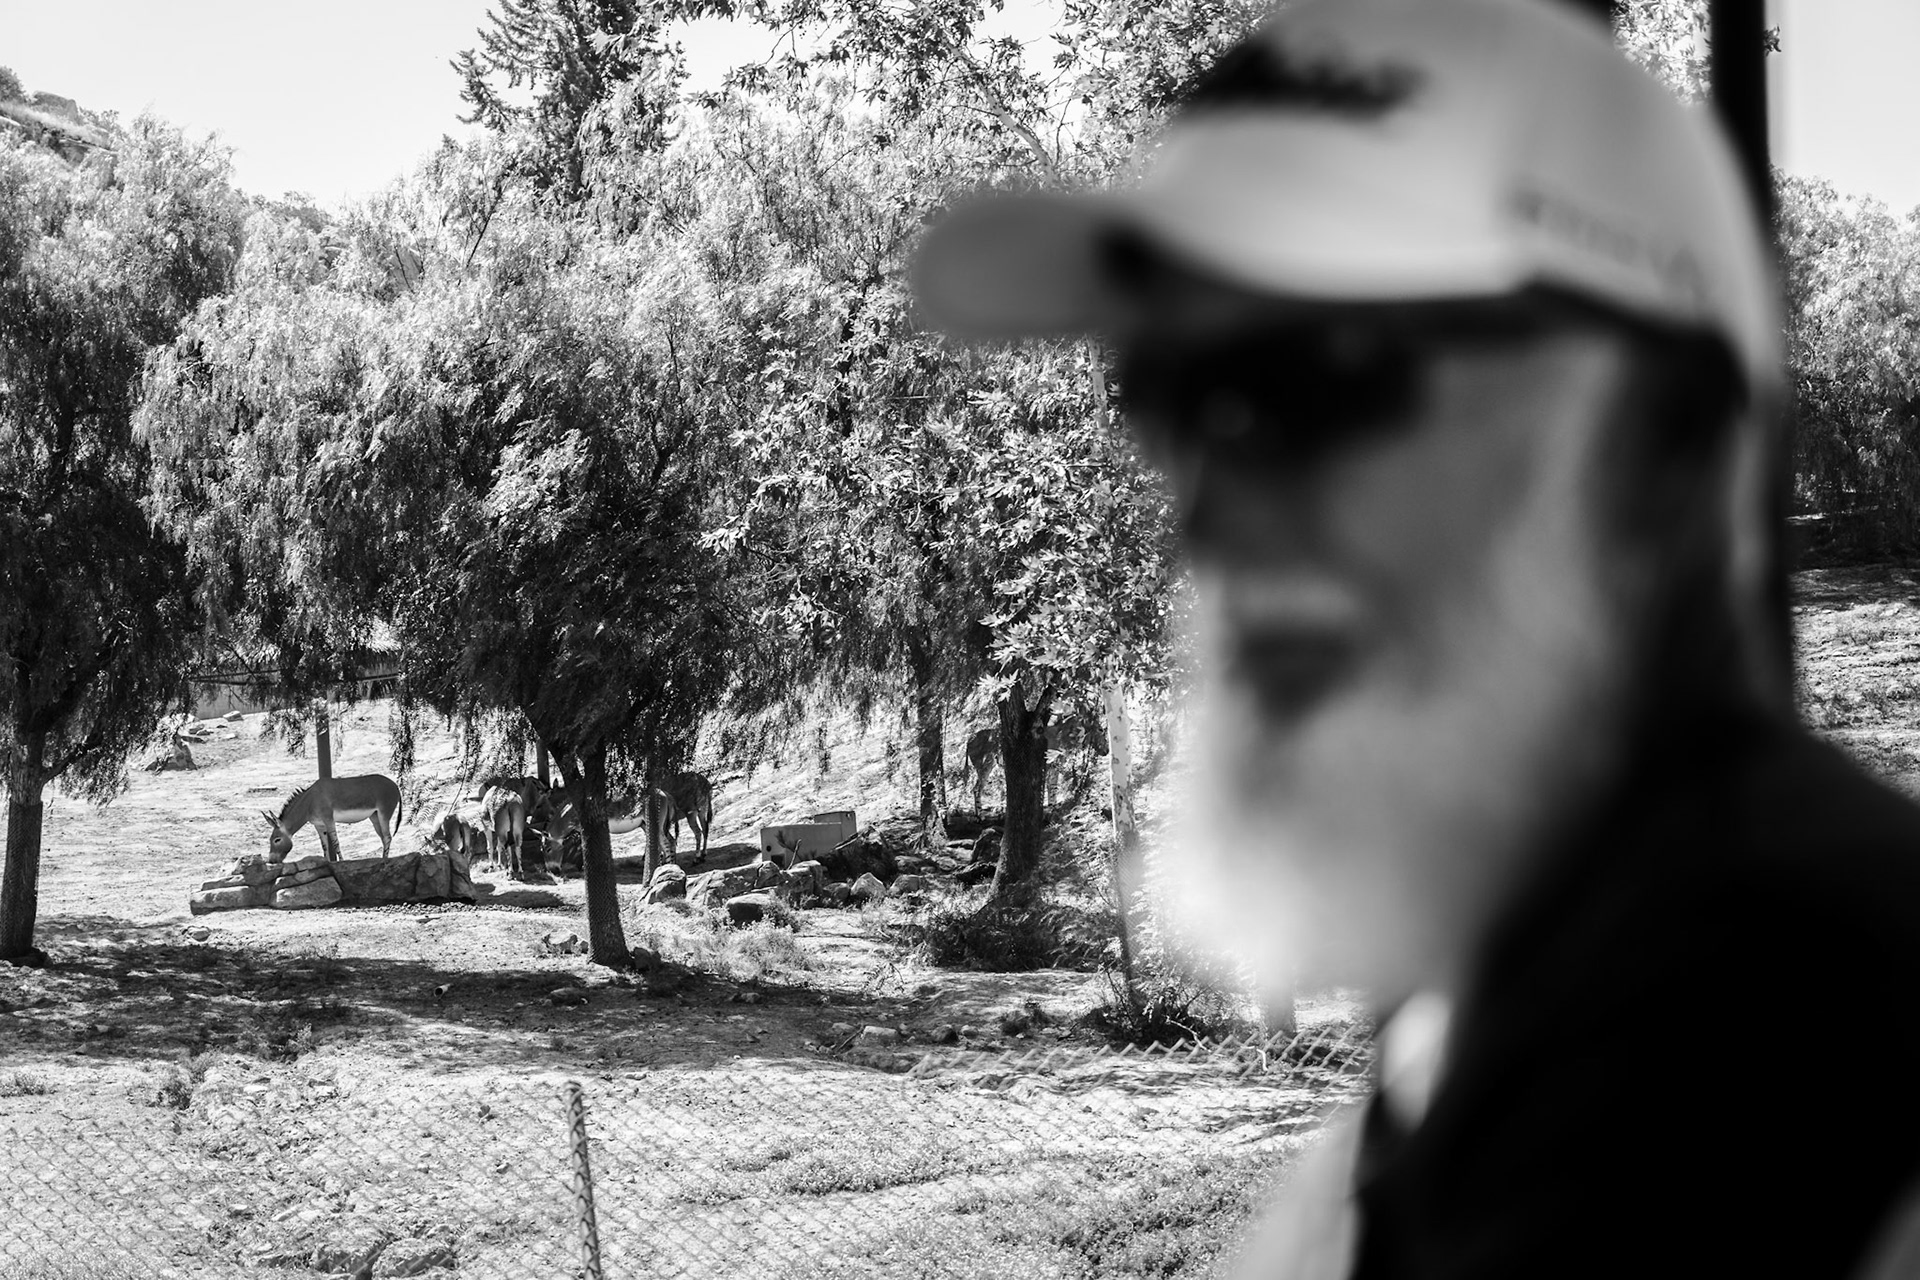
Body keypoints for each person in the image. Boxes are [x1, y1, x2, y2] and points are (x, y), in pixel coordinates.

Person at [910, 0, 1920, 1275]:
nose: (1207, 516)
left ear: (1668, 450)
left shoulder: (1862, 1087)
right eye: (1166, 399)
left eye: (1314, 378)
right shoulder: (1448, 1068)